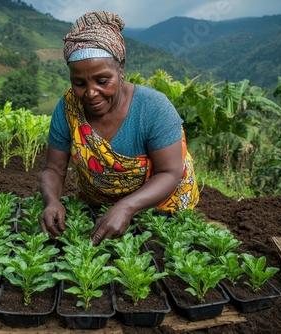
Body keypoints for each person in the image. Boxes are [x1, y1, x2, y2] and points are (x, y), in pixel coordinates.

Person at [39, 10, 199, 246]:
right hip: (98, 208)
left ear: (121, 68)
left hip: (160, 208)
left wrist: (126, 207)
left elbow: (170, 173)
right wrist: (52, 201)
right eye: (79, 83)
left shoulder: (152, 107)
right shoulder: (68, 109)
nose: (91, 93)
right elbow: (53, 168)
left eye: (102, 81)